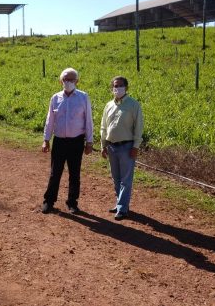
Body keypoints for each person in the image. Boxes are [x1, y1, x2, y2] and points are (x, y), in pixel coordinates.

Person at [41, 68, 94, 214]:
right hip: (59, 141)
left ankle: (72, 203)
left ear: (77, 81)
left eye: (71, 79)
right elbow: (50, 120)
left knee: (74, 173)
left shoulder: (83, 97)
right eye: (65, 79)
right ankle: (49, 201)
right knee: (55, 172)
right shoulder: (55, 98)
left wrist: (89, 142)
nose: (68, 82)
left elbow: (88, 120)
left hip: (76, 142)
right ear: (61, 81)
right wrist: (46, 140)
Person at [100, 76, 144, 220]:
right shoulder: (109, 105)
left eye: (120, 86)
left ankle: (122, 208)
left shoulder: (133, 105)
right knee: (116, 178)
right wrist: (103, 145)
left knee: (126, 179)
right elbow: (104, 127)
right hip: (112, 146)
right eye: (114, 86)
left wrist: (136, 146)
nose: (117, 88)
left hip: (127, 146)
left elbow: (138, 127)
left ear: (126, 87)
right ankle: (120, 203)